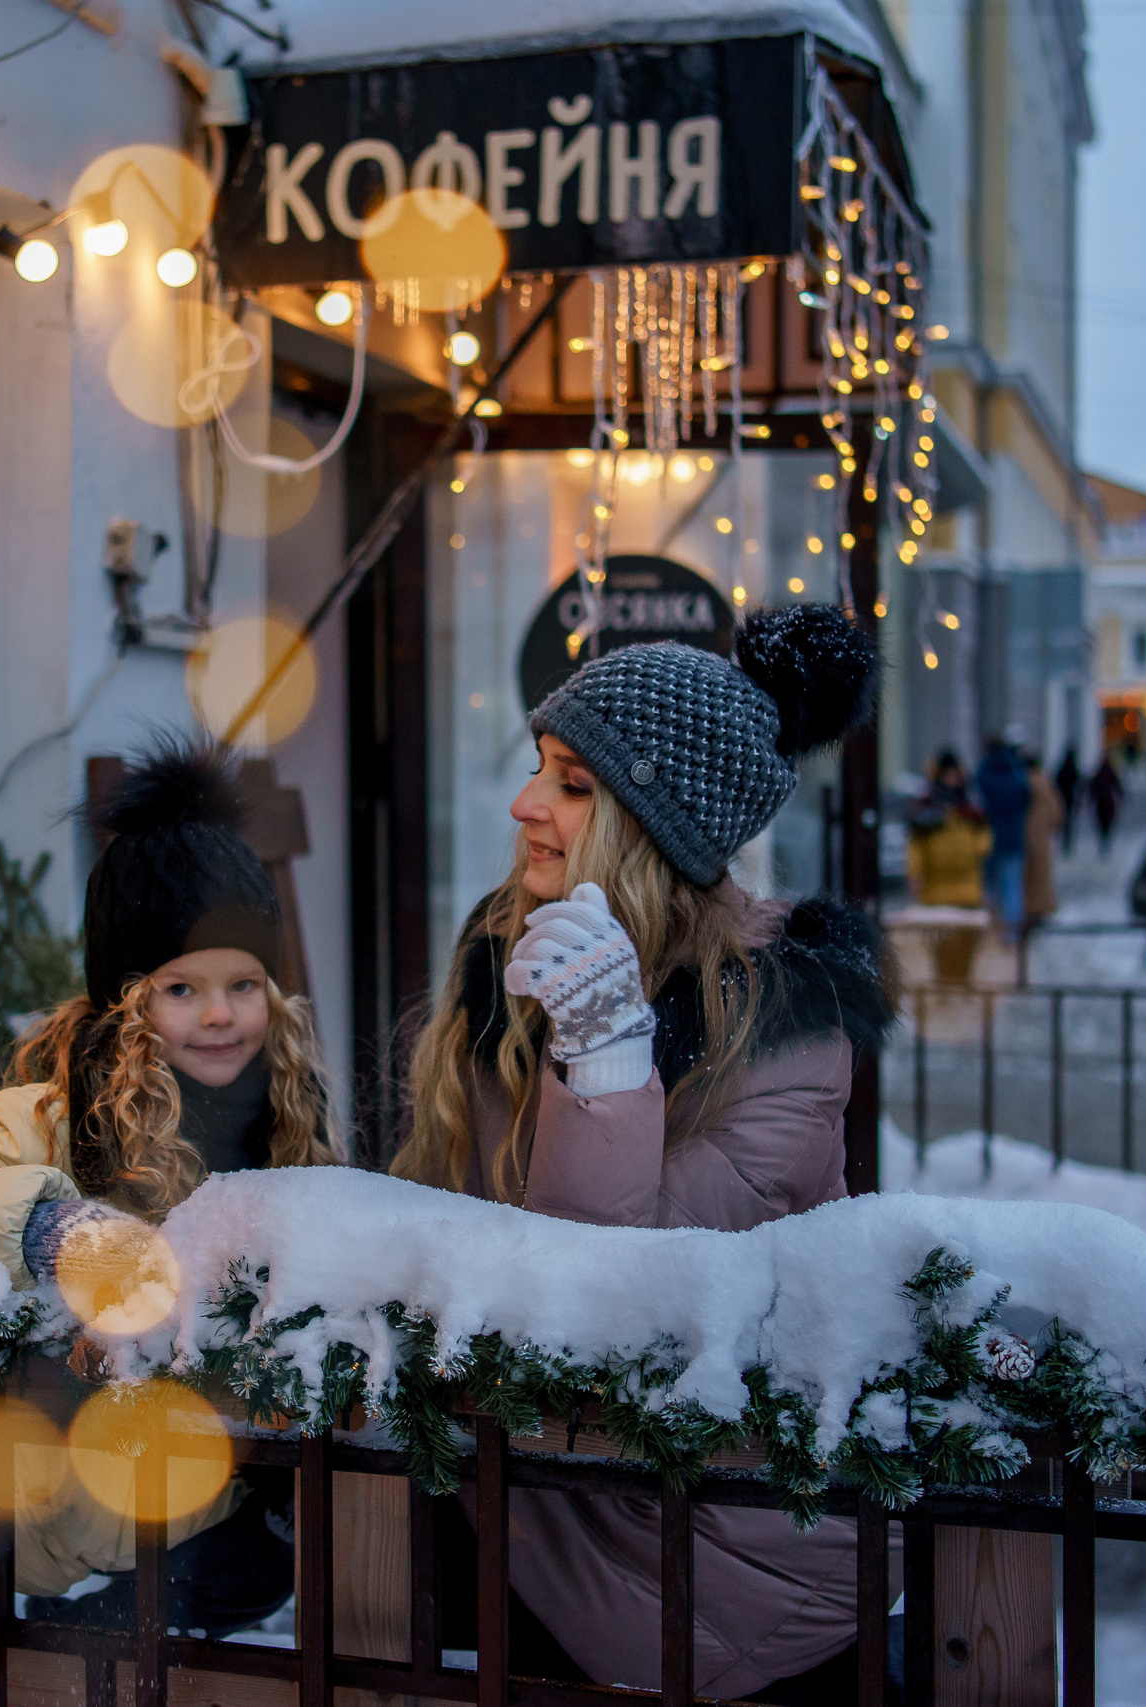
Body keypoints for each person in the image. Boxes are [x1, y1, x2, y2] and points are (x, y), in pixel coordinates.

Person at [393, 609, 895, 1700]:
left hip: (721, 1558)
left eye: (572, 783)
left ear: (652, 822)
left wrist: (611, 1059)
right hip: (542, 1499)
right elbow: (447, 1206)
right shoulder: (515, 949)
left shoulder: (783, 1020)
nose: (526, 804)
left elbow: (612, 1303)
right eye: (538, 768)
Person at [0, 744, 340, 1637]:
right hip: (53, 1494)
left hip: (207, 1512)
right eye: (182, 988)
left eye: (243, 985)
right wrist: (50, 1228)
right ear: (128, 1002)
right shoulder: (55, 1118)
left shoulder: (288, 1124)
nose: (220, 1014)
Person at [905, 749, 989, 982]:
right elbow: (916, 846)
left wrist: (974, 849)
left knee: (965, 944)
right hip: (936, 891)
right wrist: (914, 873)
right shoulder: (926, 809)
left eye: (955, 775)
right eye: (947, 775)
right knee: (941, 946)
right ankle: (946, 982)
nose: (952, 780)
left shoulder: (969, 807)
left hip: (967, 889)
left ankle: (961, 981)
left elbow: (984, 837)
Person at [973, 736, 1032, 941]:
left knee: (990, 886)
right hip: (1014, 836)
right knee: (1013, 886)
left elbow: (978, 804)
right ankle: (1012, 932)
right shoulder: (1016, 771)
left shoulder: (984, 773)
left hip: (990, 837)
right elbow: (1026, 799)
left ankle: (992, 929)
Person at [1023, 751, 1062, 928]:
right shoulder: (1045, 785)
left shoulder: (1022, 784)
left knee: (1027, 880)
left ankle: (1028, 912)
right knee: (1041, 879)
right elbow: (1056, 814)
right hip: (1042, 839)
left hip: (1024, 837)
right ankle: (1038, 912)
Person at [1088, 751, 1127, 857]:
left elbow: (1093, 788)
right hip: (1108, 803)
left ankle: (1103, 841)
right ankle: (1105, 841)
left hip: (1101, 803)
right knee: (1107, 823)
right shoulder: (1110, 772)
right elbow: (1118, 786)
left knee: (1102, 823)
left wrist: (1091, 800)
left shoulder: (1099, 773)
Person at [1053, 748, 1082, 853]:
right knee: (1069, 821)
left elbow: (1056, 784)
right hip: (1069, 799)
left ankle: (1065, 841)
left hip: (1063, 799)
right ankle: (1067, 842)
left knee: (1065, 820)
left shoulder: (1062, 769)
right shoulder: (1073, 769)